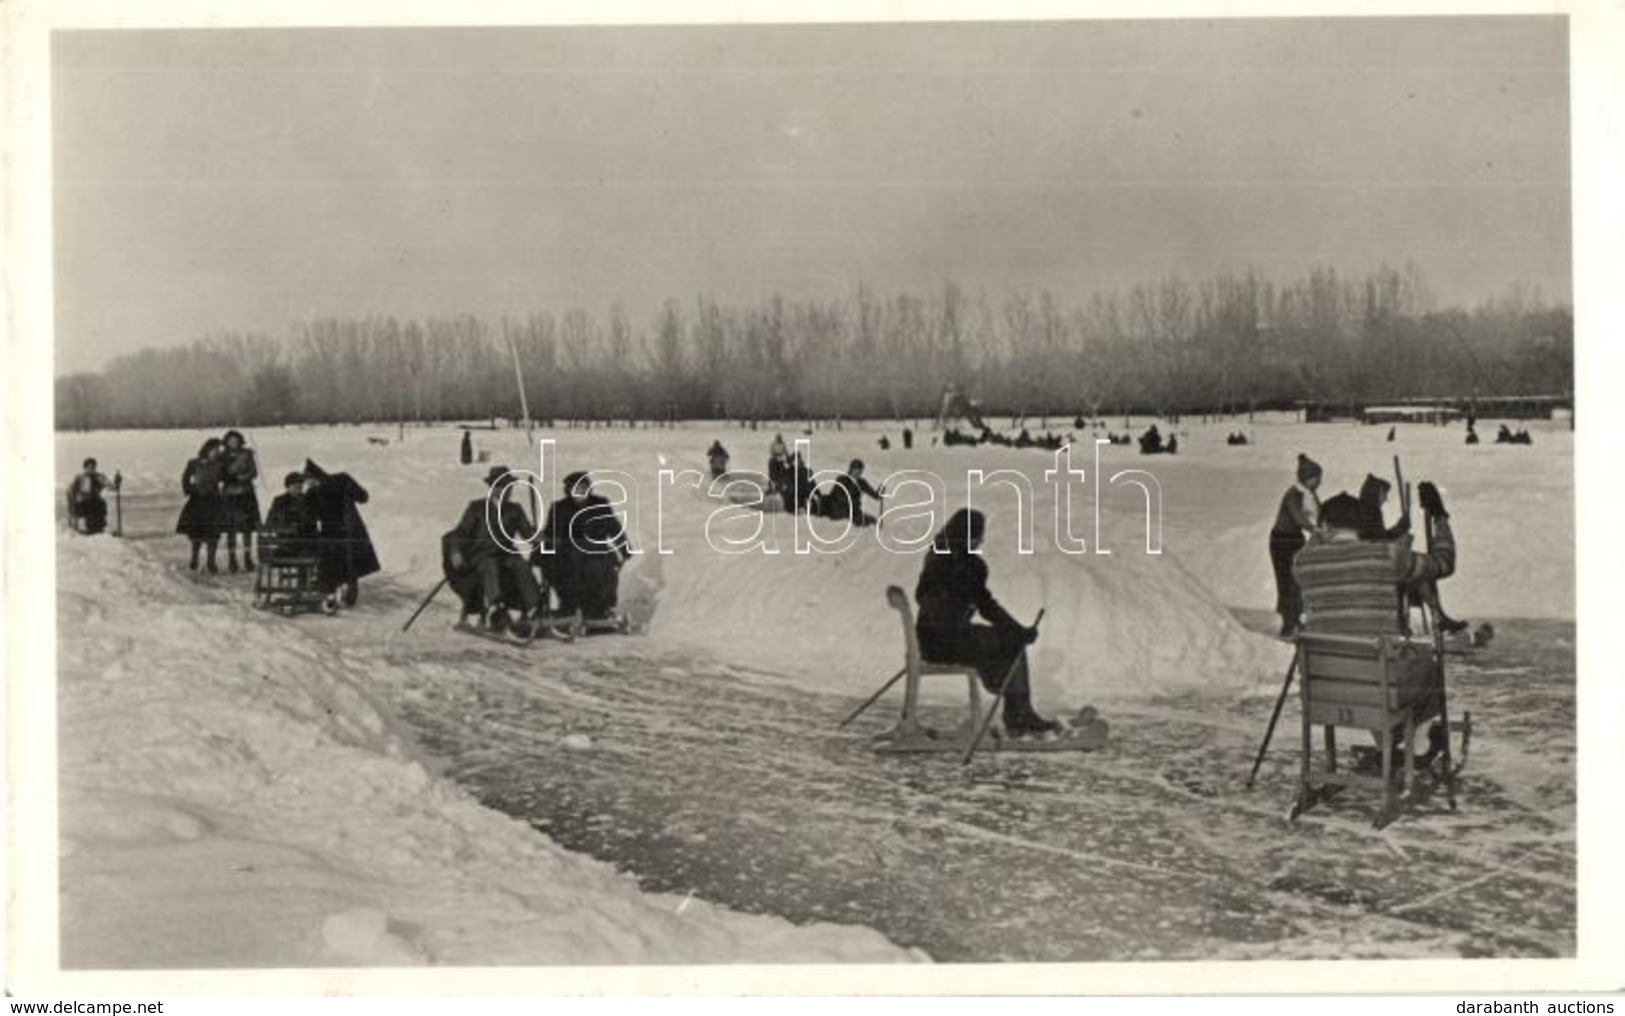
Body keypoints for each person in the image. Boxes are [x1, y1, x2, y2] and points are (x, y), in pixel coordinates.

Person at [914, 508, 1056, 735]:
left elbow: (920, 595)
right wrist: (1019, 632)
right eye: (979, 535)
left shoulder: (937, 555)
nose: (981, 540)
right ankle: (1019, 715)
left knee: (998, 639)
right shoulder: (966, 564)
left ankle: (1016, 710)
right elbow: (986, 606)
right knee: (1013, 643)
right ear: (968, 535)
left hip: (930, 640)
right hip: (949, 642)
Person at [444, 465, 543, 632]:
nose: (505, 490)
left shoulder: (514, 510)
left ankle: (533, 607)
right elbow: (460, 533)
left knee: (521, 565)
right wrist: (455, 552)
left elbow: (527, 534)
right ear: (493, 488)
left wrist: (537, 537)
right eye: (501, 486)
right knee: (490, 567)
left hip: (506, 554)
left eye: (508, 486)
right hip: (481, 556)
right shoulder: (477, 508)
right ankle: (496, 608)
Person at [538, 471, 631, 622]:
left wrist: (625, 548)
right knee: (563, 568)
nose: (579, 491)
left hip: (596, 550)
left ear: (589, 488)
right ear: (568, 490)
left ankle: (601, 608)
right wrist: (544, 541)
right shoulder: (559, 508)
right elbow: (551, 533)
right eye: (574, 487)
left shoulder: (601, 505)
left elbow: (613, 527)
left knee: (607, 567)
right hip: (569, 552)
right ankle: (571, 606)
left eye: (582, 487)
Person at [302, 459, 381, 607]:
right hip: (331, 531)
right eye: (308, 482)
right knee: (336, 561)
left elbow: (363, 497)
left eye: (311, 480)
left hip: (349, 529)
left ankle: (347, 592)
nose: (310, 484)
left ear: (317, 476)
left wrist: (350, 489)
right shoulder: (312, 493)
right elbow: (309, 515)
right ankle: (334, 592)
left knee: (350, 562)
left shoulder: (341, 480)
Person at [1268, 453, 1324, 637]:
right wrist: (1315, 530)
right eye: (1316, 478)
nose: (1319, 482)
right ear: (1307, 478)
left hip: (1295, 540)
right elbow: (1298, 516)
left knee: (1298, 580)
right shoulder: (1293, 495)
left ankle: (1296, 618)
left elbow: (1320, 513)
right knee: (1286, 581)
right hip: (1281, 541)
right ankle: (1287, 623)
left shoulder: (1310, 494)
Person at [176, 438, 227, 572]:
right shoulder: (194, 463)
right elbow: (185, 478)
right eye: (213, 449)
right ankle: (194, 557)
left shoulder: (220, 465)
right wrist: (190, 489)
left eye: (218, 450)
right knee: (196, 533)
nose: (216, 452)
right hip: (198, 501)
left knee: (213, 534)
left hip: (214, 501)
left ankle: (211, 561)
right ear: (207, 449)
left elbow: (228, 478)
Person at [218, 430, 261, 572]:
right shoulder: (222, 456)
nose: (233, 442)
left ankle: (247, 557)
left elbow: (254, 472)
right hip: (229, 495)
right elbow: (219, 473)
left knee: (247, 528)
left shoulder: (247, 454)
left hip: (245, 494)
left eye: (235, 440)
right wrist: (226, 478)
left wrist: (240, 478)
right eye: (230, 440)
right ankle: (232, 559)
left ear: (240, 441)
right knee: (231, 529)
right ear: (226, 441)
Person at [262, 471, 320, 560]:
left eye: (300, 486)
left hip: (305, 542)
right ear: (288, 486)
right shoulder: (279, 501)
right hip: (287, 543)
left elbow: (313, 520)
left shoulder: (307, 499)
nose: (299, 488)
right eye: (296, 486)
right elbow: (270, 521)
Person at [824, 458, 884, 527]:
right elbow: (836, 496)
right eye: (856, 471)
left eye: (860, 471)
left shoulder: (861, 482)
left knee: (873, 521)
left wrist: (880, 491)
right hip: (840, 511)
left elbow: (875, 496)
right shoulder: (842, 479)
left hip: (854, 512)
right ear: (851, 469)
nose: (858, 473)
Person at [1356, 474, 1411, 543]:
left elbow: (1381, 537)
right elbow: (1382, 541)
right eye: (1384, 494)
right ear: (1376, 493)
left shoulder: (1368, 511)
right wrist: (1401, 528)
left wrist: (1400, 527)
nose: (1385, 499)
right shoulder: (1371, 514)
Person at [66, 457, 115, 535]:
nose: (91, 469)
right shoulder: (80, 477)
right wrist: (72, 501)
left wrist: (115, 484)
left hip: (96, 501)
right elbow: (71, 490)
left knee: (101, 504)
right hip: (83, 502)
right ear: (85, 467)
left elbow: (109, 485)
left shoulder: (99, 476)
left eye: (93, 467)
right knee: (86, 506)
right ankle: (82, 526)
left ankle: (99, 527)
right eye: (89, 467)